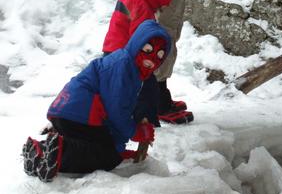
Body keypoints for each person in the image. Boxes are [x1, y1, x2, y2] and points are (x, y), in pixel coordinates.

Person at [22, 20, 171, 182]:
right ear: (136, 45)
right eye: (147, 50)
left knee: (107, 150)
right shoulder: (123, 66)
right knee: (107, 156)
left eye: (159, 55)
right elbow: (117, 111)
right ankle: (48, 153)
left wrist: (119, 149)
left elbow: (115, 113)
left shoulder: (130, 68)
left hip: (70, 113)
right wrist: (135, 133)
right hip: (78, 114)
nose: (152, 58)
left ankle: (52, 148)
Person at [102, 0, 188, 126]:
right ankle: (146, 123)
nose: (163, 6)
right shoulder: (141, 7)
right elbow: (141, 37)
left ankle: (116, 115)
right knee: (147, 90)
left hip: (111, 49)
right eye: (162, 2)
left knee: (118, 87)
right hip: (126, 55)